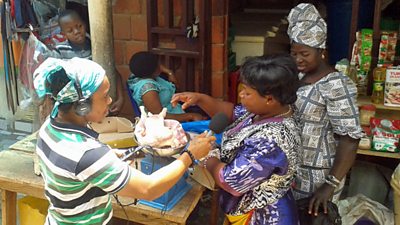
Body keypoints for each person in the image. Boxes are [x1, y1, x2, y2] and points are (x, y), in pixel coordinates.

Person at [33, 57, 215, 225]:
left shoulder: (49, 126)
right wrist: (189, 155)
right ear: (82, 105)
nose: (110, 100)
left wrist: (107, 157)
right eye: (104, 96)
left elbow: (74, 169)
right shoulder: (88, 154)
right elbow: (149, 189)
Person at [171, 54, 301, 225]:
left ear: (269, 99)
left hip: (263, 216)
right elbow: (232, 112)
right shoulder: (274, 108)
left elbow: (230, 180)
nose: (241, 95)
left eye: (247, 92)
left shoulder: (270, 141)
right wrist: (200, 98)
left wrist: (206, 156)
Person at [287, 3, 364, 216]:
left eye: (304, 53)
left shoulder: (336, 85)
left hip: (320, 176)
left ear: (322, 52)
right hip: (294, 172)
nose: (298, 59)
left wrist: (329, 185)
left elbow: (350, 138)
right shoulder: (299, 77)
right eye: (293, 53)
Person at [54, 9, 124, 115]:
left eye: (79, 26)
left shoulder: (96, 45)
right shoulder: (60, 51)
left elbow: (113, 72)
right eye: (70, 30)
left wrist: (121, 98)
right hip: (76, 109)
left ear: (85, 24)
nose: (76, 32)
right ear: (63, 33)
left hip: (100, 104)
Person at [127, 51, 205, 122]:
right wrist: (190, 116)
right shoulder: (148, 89)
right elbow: (159, 116)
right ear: (156, 70)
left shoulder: (141, 74)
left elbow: (157, 66)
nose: (161, 67)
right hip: (168, 125)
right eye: (158, 65)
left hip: (177, 112)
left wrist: (169, 72)